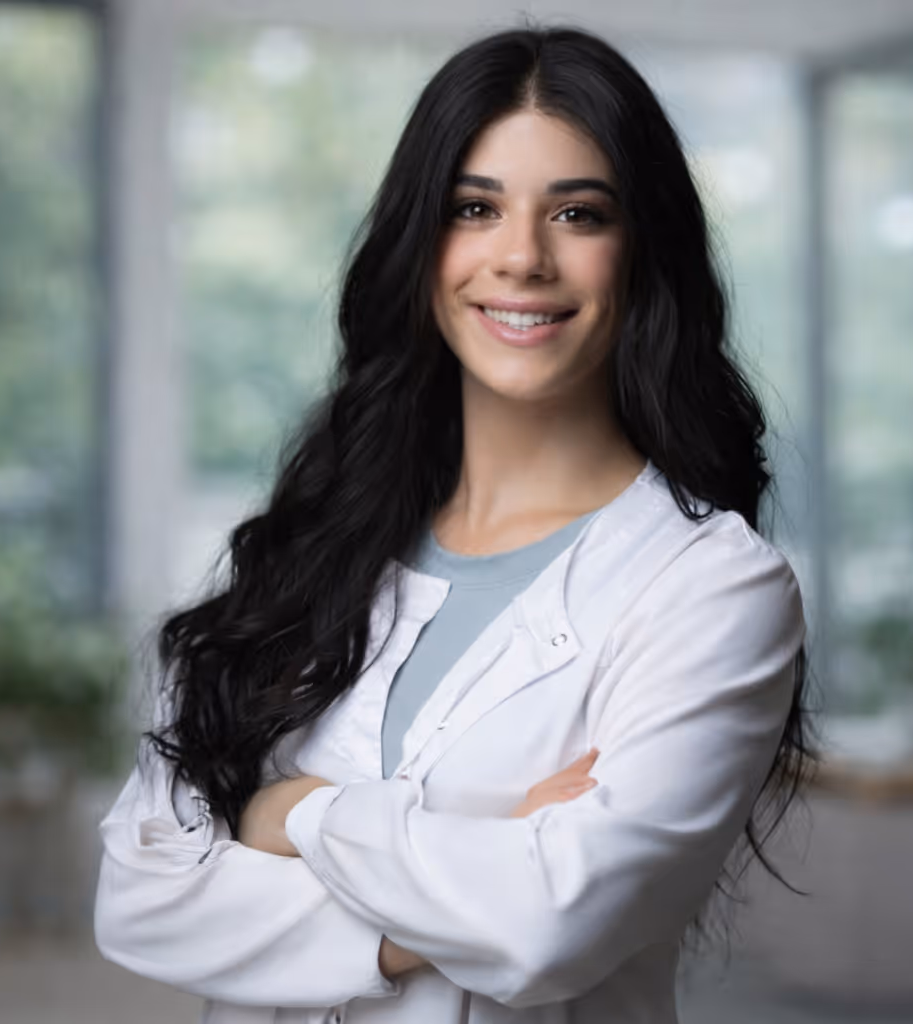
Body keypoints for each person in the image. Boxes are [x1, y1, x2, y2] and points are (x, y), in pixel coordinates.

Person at [94, 25, 813, 1024]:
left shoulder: (712, 587)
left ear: (642, 250)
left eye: (578, 212)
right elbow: (140, 897)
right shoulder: (311, 548)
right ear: (419, 243)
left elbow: (550, 923)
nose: (521, 256)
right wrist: (465, 871)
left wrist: (291, 813)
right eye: (474, 208)